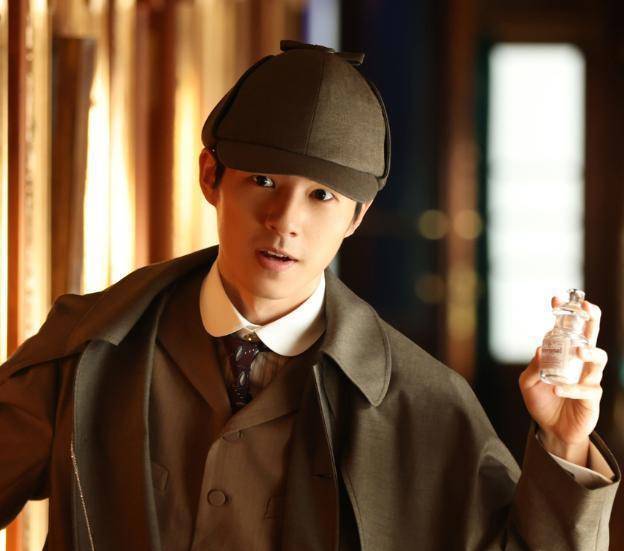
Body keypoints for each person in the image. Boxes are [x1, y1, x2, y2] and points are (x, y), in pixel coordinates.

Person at [0, 39, 620, 550]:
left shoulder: (423, 401)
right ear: (211, 177)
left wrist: (565, 443)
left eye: (322, 195)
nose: (285, 221)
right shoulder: (91, 346)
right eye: (262, 180)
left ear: (357, 215)